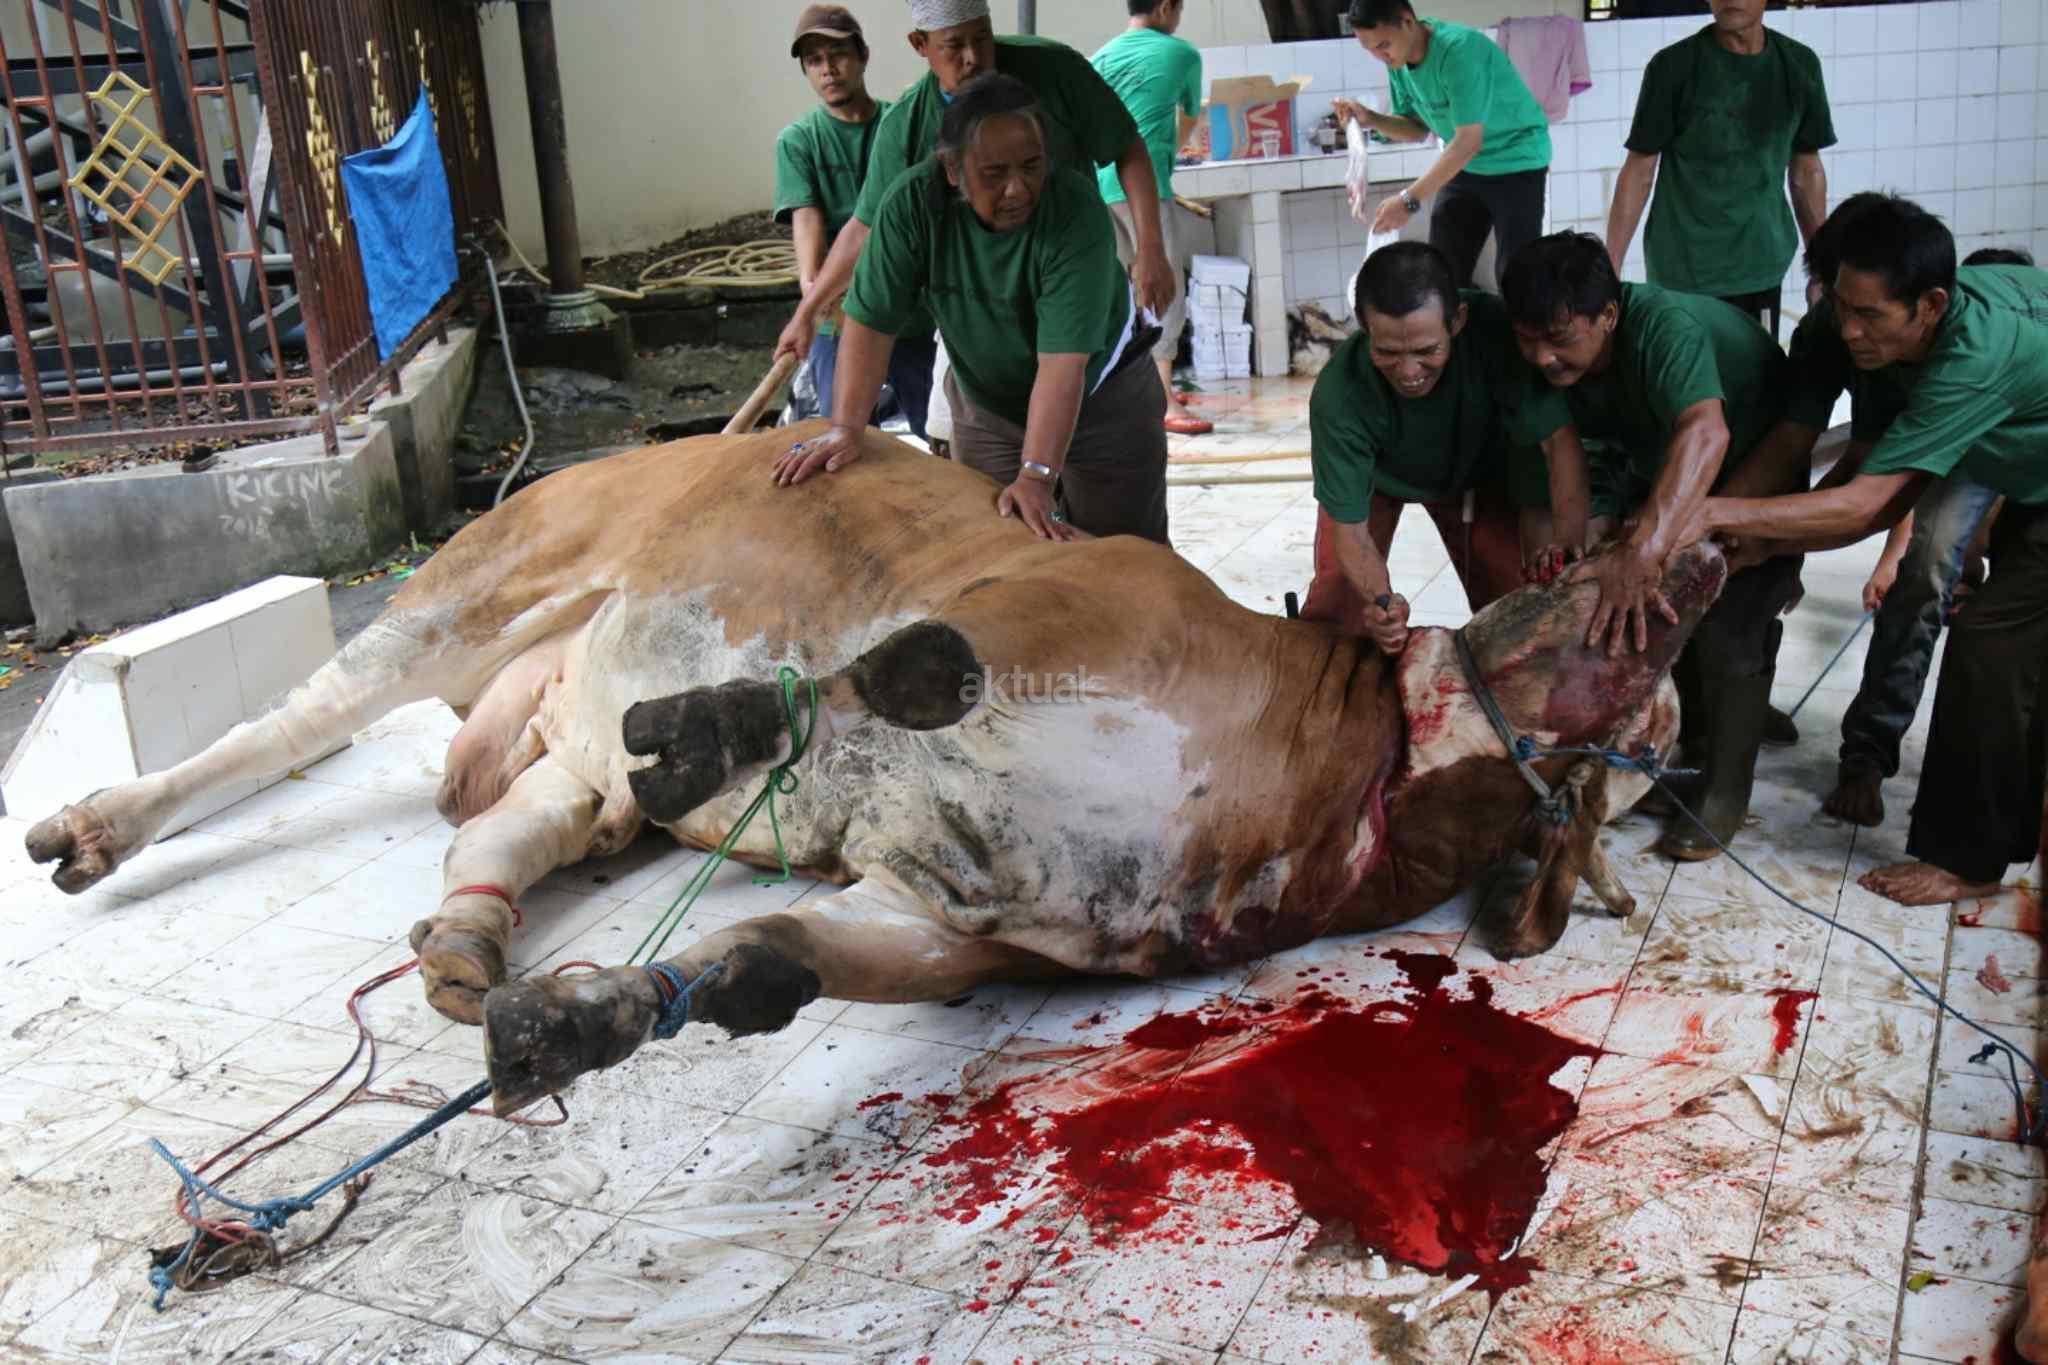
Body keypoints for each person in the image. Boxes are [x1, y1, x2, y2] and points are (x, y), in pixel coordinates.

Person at [1694, 198, 2048, 906]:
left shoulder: (1975, 357)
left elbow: (1868, 504)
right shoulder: (1852, 324)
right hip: (2019, 457)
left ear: (1931, 305)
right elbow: (1822, 454)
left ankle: (1968, 861)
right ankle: (2006, 820)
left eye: (1869, 315)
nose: (1849, 329)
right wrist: (1746, 537)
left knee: (1988, 641)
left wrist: (1700, 514)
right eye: (1839, 306)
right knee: (2010, 645)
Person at [1501, 231, 1802, 861]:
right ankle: (1703, 740)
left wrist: (1643, 551)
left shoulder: (1666, 330)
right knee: (1660, 612)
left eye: (1558, 339)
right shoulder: (1547, 360)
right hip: (1664, 457)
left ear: (1608, 316)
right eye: (1528, 341)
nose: (1542, 357)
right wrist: (1590, 542)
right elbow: (1573, 451)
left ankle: (1724, 788)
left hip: (1756, 443)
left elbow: (1705, 432)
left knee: (1729, 608)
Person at [770, 74, 1169, 549]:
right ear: (952, 169)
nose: (1017, 189)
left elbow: (1063, 364)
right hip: (988, 407)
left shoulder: (1074, 212)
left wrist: (1037, 476)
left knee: (1122, 558)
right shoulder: (912, 205)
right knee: (998, 554)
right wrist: (846, 428)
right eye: (994, 173)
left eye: (1032, 166)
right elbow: (871, 322)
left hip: (1103, 398)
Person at [772, 0, 1175, 410]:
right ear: (920, 45)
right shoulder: (907, 126)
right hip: (978, 319)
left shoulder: (1055, 70)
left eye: (982, 38)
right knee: (958, 430)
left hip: (1076, 293)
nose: (973, 57)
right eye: (954, 46)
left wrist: (1151, 249)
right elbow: (864, 228)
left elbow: (1126, 147)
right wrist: (807, 312)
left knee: (1084, 404)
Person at [1786, 239, 2029, 828]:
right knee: (1926, 571)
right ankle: (1868, 755)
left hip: (2027, 439)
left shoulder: (2005, 343)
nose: (1851, 329)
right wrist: (1894, 557)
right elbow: (1896, 481)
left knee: (2008, 610)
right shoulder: (1918, 353)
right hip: (1966, 449)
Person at [1301, 241, 1573, 653]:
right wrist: (1382, 604)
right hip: (1375, 481)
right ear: (1363, 324)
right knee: (1338, 607)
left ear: (1458, 320)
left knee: (1518, 612)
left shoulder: (1498, 334)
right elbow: (1351, 532)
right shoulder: (1338, 395)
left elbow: (1558, 443)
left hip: (1477, 473)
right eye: (1387, 352)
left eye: (1427, 351)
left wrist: (1563, 543)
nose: (1409, 371)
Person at [1605, 0, 1834, 340]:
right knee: (1685, 370)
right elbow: (1639, 171)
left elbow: (1806, 172)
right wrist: (1609, 269)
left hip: (1760, 267)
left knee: (1753, 369)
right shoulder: (1673, 67)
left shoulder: (1799, 65)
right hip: (1682, 271)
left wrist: (1823, 267)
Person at [773, 5, 938, 438]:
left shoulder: (900, 124)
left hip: (912, 311)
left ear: (863, 55)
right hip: (839, 317)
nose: (828, 69)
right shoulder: (799, 141)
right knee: (843, 438)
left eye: (838, 55)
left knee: (940, 433)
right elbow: (806, 220)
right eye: (814, 60)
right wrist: (812, 291)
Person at [1332, 0, 1552, 291]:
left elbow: (1468, 141)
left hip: (1516, 160)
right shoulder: (1398, 62)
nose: (1379, 55)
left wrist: (1409, 200)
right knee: (1442, 272)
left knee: (1517, 276)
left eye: (1383, 45)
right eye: (1368, 48)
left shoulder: (1459, 51)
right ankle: (1457, 320)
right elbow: (1416, 128)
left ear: (1408, 21)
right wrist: (1370, 118)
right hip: (1467, 165)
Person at [1091, 0, 1209, 437]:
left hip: (1100, 185)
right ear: (1165, 7)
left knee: (1127, 293)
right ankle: (1164, 399)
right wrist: (1169, 152)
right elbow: (1190, 116)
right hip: (1144, 187)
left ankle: (1136, 391)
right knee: (1164, 288)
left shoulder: (1100, 57)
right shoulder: (1182, 54)